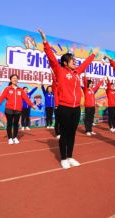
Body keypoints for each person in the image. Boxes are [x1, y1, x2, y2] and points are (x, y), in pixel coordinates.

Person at [40, 29, 97, 169]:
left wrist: (93, 54)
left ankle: (70, 156)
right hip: (64, 108)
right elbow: (52, 59)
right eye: (72, 60)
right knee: (64, 133)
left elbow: (85, 64)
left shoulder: (77, 73)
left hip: (76, 108)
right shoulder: (60, 71)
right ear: (65, 62)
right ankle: (63, 158)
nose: (75, 62)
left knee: (72, 133)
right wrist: (45, 42)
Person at [0, 75, 35, 144]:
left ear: (17, 80)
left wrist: (31, 105)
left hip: (18, 109)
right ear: (11, 80)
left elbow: (26, 98)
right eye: (13, 78)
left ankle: (15, 137)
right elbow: (2, 96)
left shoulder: (20, 90)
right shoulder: (7, 88)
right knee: (9, 124)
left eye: (16, 78)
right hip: (9, 109)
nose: (15, 79)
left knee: (16, 124)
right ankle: (10, 138)